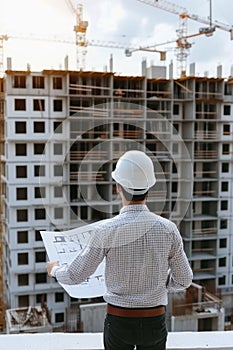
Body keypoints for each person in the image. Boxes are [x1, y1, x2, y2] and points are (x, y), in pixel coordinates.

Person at [47, 150, 193, 350]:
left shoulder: (106, 230)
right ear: (149, 187)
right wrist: (161, 283)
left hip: (118, 321)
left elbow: (75, 275)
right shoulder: (168, 230)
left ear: (117, 187)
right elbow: (185, 279)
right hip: (154, 321)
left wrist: (55, 270)